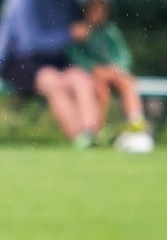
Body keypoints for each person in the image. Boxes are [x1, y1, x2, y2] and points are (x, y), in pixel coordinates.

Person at [0, 0, 102, 148]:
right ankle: (79, 140)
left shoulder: (68, 4)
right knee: (51, 81)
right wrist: (69, 34)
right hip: (15, 59)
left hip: (50, 58)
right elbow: (30, 45)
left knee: (81, 79)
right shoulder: (22, 4)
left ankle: (89, 134)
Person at [68, 0, 154, 153]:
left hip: (114, 73)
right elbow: (74, 56)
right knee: (100, 89)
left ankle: (135, 120)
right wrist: (93, 68)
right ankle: (97, 130)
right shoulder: (79, 31)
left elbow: (124, 55)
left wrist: (118, 67)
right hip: (93, 76)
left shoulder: (109, 31)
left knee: (128, 83)